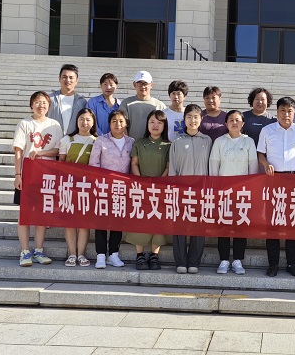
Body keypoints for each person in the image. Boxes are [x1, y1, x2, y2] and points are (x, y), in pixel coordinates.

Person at [257, 97, 295, 277]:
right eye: (282, 111)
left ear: (294, 112)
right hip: (273, 179)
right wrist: (265, 164)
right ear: (277, 112)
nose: (286, 114)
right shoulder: (267, 130)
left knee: (293, 222)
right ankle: (273, 263)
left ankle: (292, 263)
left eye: (289, 111)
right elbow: (260, 154)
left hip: (294, 180)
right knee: (273, 223)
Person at [13, 91, 62, 267]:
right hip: (28, 174)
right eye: (37, 102)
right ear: (31, 105)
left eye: (44, 102)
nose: (41, 105)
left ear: (49, 106)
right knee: (25, 214)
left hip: (47, 175)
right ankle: (25, 251)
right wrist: (18, 175)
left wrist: (41, 153)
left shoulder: (54, 125)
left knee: (42, 214)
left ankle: (38, 250)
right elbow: (18, 150)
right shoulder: (25, 124)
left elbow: (58, 150)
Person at [210, 110, 258, 274]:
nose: (234, 123)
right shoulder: (219, 141)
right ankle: (224, 260)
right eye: (231, 120)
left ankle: (238, 260)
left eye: (237, 120)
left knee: (240, 225)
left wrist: (251, 189)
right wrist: (215, 189)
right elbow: (214, 164)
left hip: (242, 191)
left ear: (243, 123)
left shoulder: (249, 141)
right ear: (226, 124)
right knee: (223, 225)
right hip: (223, 190)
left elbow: (253, 166)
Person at [168, 104, 212, 274]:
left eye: (196, 117)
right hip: (182, 191)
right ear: (184, 119)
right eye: (189, 117)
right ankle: (180, 261)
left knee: (198, 227)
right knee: (180, 227)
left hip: (201, 191)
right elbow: (173, 168)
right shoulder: (177, 141)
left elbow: (210, 166)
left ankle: (194, 261)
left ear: (201, 119)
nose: (192, 120)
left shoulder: (207, 141)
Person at [88, 110, 134, 269]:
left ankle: (113, 254)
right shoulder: (101, 140)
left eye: (121, 121)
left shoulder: (131, 142)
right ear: (109, 123)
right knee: (101, 221)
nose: (118, 124)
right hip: (103, 187)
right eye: (114, 121)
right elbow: (94, 163)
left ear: (126, 124)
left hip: (122, 188)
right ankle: (100, 255)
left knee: (118, 221)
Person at [128, 110, 171, 270]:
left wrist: (159, 183)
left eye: (159, 122)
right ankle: (140, 255)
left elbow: (168, 167)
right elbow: (134, 163)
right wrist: (141, 181)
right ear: (147, 124)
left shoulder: (168, 145)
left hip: (160, 188)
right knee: (140, 220)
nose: (155, 125)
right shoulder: (140, 143)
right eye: (152, 121)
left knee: (157, 221)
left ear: (164, 126)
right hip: (141, 186)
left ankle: (154, 255)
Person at [58, 107, 97, 267]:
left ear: (93, 122)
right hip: (69, 185)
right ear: (76, 121)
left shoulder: (97, 141)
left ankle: (81, 254)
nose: (84, 122)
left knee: (84, 223)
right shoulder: (67, 140)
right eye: (81, 119)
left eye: (88, 119)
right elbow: (60, 163)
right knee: (70, 222)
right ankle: (72, 254)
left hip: (88, 187)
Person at [120, 71, 167, 141]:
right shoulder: (126, 103)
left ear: (151, 85)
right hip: (132, 145)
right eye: (139, 83)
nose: (143, 87)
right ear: (134, 85)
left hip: (154, 145)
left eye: (145, 83)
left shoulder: (160, 106)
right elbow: (122, 126)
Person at [48, 63, 87, 136]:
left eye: (71, 77)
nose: (68, 80)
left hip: (74, 140)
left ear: (76, 80)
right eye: (64, 77)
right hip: (52, 139)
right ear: (59, 78)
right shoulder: (50, 99)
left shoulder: (82, 102)